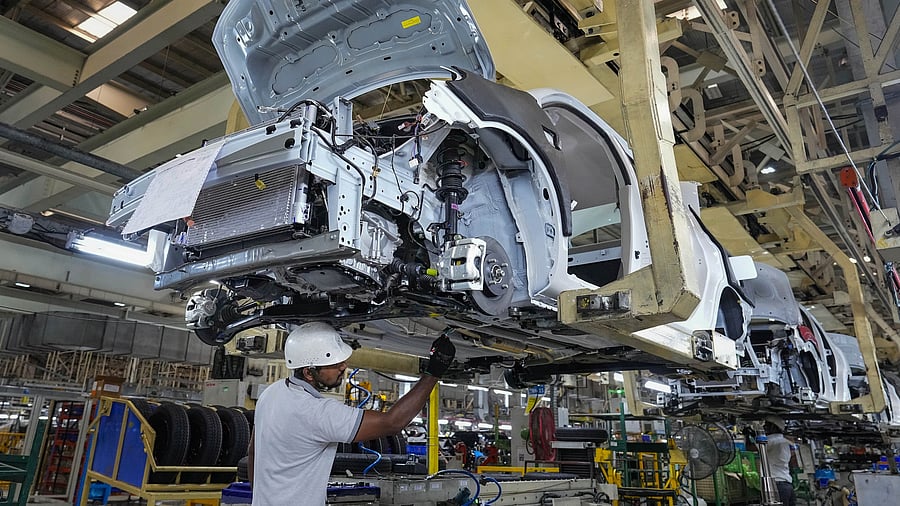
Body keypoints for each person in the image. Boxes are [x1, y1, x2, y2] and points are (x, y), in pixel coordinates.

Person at [248, 322, 456, 506]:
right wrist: (434, 372)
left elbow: (253, 452)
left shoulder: (271, 394)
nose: (343, 367)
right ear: (308, 373)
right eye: (334, 364)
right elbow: (392, 423)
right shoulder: (317, 413)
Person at [764, 416, 796, 506]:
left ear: (774, 427)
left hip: (776, 485)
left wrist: (749, 435)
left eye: (767, 425)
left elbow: (751, 447)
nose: (765, 427)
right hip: (787, 484)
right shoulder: (786, 442)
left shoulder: (770, 440)